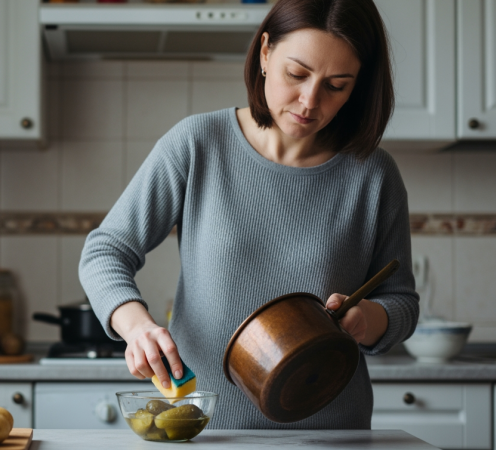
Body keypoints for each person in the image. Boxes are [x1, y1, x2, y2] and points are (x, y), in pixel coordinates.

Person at [79, 0, 419, 429]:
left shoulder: (374, 174)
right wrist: (136, 327)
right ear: (265, 53)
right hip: (206, 427)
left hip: (334, 432)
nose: (309, 101)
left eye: (336, 85)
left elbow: (402, 303)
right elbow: (105, 251)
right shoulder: (197, 144)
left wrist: (369, 319)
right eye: (296, 74)